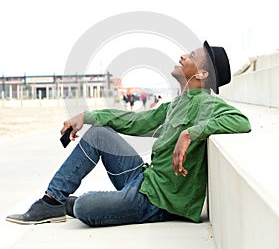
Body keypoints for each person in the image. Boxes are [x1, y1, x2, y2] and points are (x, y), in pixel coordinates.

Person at [6, 41, 251, 227]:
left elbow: (240, 121)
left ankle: (75, 204)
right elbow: (133, 120)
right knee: (99, 133)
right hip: (144, 179)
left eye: (191, 56)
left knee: (83, 207)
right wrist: (86, 117)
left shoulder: (208, 104)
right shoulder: (176, 104)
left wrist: (189, 133)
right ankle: (52, 201)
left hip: (158, 202)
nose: (182, 55)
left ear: (202, 74)